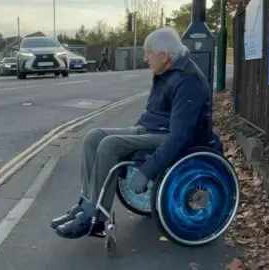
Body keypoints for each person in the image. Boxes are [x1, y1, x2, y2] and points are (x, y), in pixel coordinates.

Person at [50, 27, 213, 239]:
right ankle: (87, 205)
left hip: (175, 138)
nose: (145, 58)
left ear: (164, 56)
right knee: (94, 136)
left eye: (148, 52)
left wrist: (148, 170)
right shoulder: (167, 71)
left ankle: (95, 217)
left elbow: (180, 136)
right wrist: (135, 133)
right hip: (153, 130)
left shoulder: (187, 81)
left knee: (111, 145)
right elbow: (153, 113)